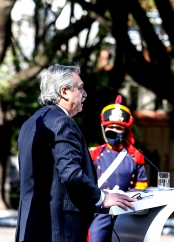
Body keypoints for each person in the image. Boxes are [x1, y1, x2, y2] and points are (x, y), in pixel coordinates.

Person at [15, 64, 137, 242]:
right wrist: (102, 198)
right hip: (58, 229)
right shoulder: (62, 122)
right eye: (80, 88)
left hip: (30, 226)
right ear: (64, 91)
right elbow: (71, 173)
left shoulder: (29, 123)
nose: (85, 94)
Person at [87, 95, 148, 242]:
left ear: (126, 130)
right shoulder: (94, 154)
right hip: (100, 212)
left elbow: (141, 185)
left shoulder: (135, 156)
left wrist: (127, 196)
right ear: (104, 129)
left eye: (119, 128)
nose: (114, 131)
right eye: (111, 127)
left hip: (126, 211)